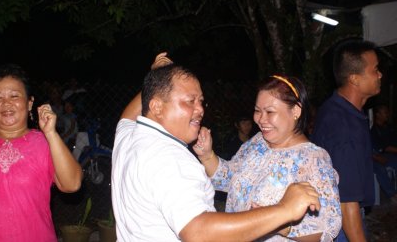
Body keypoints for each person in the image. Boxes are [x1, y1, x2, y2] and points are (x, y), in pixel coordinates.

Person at [111, 53, 321, 242]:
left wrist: (156, 78)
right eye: (189, 101)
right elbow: (200, 232)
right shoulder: (171, 159)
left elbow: (323, 230)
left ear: (295, 111)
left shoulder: (130, 136)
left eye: (201, 101)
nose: (200, 109)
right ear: (156, 106)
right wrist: (283, 211)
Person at [195, 75, 341, 241]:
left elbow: (327, 229)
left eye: (270, 112)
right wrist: (207, 155)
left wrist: (281, 224)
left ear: (295, 111)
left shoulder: (314, 159)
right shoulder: (258, 142)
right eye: (257, 111)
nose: (260, 119)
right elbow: (230, 178)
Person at [0, 64, 82, 241]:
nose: (6, 103)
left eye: (14, 96)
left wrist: (51, 133)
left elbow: (72, 184)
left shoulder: (43, 143)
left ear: (30, 103)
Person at [311, 40, 382, 241]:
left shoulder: (341, 109)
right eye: (375, 70)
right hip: (342, 222)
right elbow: (346, 202)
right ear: (355, 79)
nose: (380, 75)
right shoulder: (342, 127)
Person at [371, 104, 397, 203]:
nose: (388, 114)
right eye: (385, 112)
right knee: (380, 169)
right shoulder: (373, 130)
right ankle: (392, 194)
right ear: (378, 114)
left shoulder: (388, 127)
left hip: (388, 155)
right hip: (376, 156)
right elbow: (385, 148)